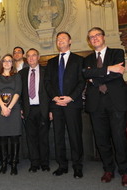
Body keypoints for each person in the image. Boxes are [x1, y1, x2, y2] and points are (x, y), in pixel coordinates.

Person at [83, 27, 127, 187]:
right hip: (96, 103)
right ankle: (108, 169)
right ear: (89, 41)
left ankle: (125, 172)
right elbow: (85, 74)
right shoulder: (87, 59)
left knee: (119, 138)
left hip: (116, 101)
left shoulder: (117, 53)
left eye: (97, 35)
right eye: (91, 37)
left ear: (103, 37)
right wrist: (107, 69)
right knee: (101, 139)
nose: (95, 38)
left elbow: (117, 74)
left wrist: (96, 75)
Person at [45, 31, 85, 179]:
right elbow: (47, 83)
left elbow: (82, 81)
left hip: (72, 104)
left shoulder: (79, 60)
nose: (60, 40)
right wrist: (54, 97)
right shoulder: (51, 62)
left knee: (75, 136)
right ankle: (62, 165)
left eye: (63, 38)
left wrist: (71, 98)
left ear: (70, 41)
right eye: (58, 39)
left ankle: (77, 166)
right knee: (58, 136)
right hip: (56, 104)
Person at [19, 48, 50, 174]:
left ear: (38, 57)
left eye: (34, 55)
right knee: (31, 138)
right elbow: (19, 92)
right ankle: (34, 163)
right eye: (29, 56)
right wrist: (21, 108)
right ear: (26, 58)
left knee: (44, 137)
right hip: (28, 109)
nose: (31, 58)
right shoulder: (22, 73)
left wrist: (51, 110)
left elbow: (50, 91)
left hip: (43, 109)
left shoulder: (46, 71)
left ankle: (45, 163)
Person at [0, 54, 22, 175]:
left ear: (12, 63)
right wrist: (3, 107)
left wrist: (9, 107)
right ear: (1, 63)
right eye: (4, 61)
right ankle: (4, 163)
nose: (6, 63)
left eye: (9, 61)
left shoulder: (17, 76)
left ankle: (14, 164)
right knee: (2, 137)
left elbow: (17, 92)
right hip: (0, 109)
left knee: (15, 137)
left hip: (14, 108)